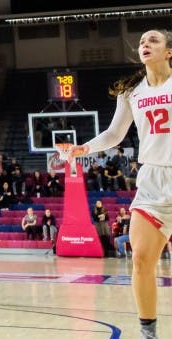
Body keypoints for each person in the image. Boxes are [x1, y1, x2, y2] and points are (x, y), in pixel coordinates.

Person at [62, 29, 172, 339]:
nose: (145, 45)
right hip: (152, 179)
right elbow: (114, 134)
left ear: (169, 51)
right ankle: (148, 331)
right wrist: (86, 147)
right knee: (140, 259)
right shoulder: (132, 93)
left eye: (153, 40)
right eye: (141, 42)